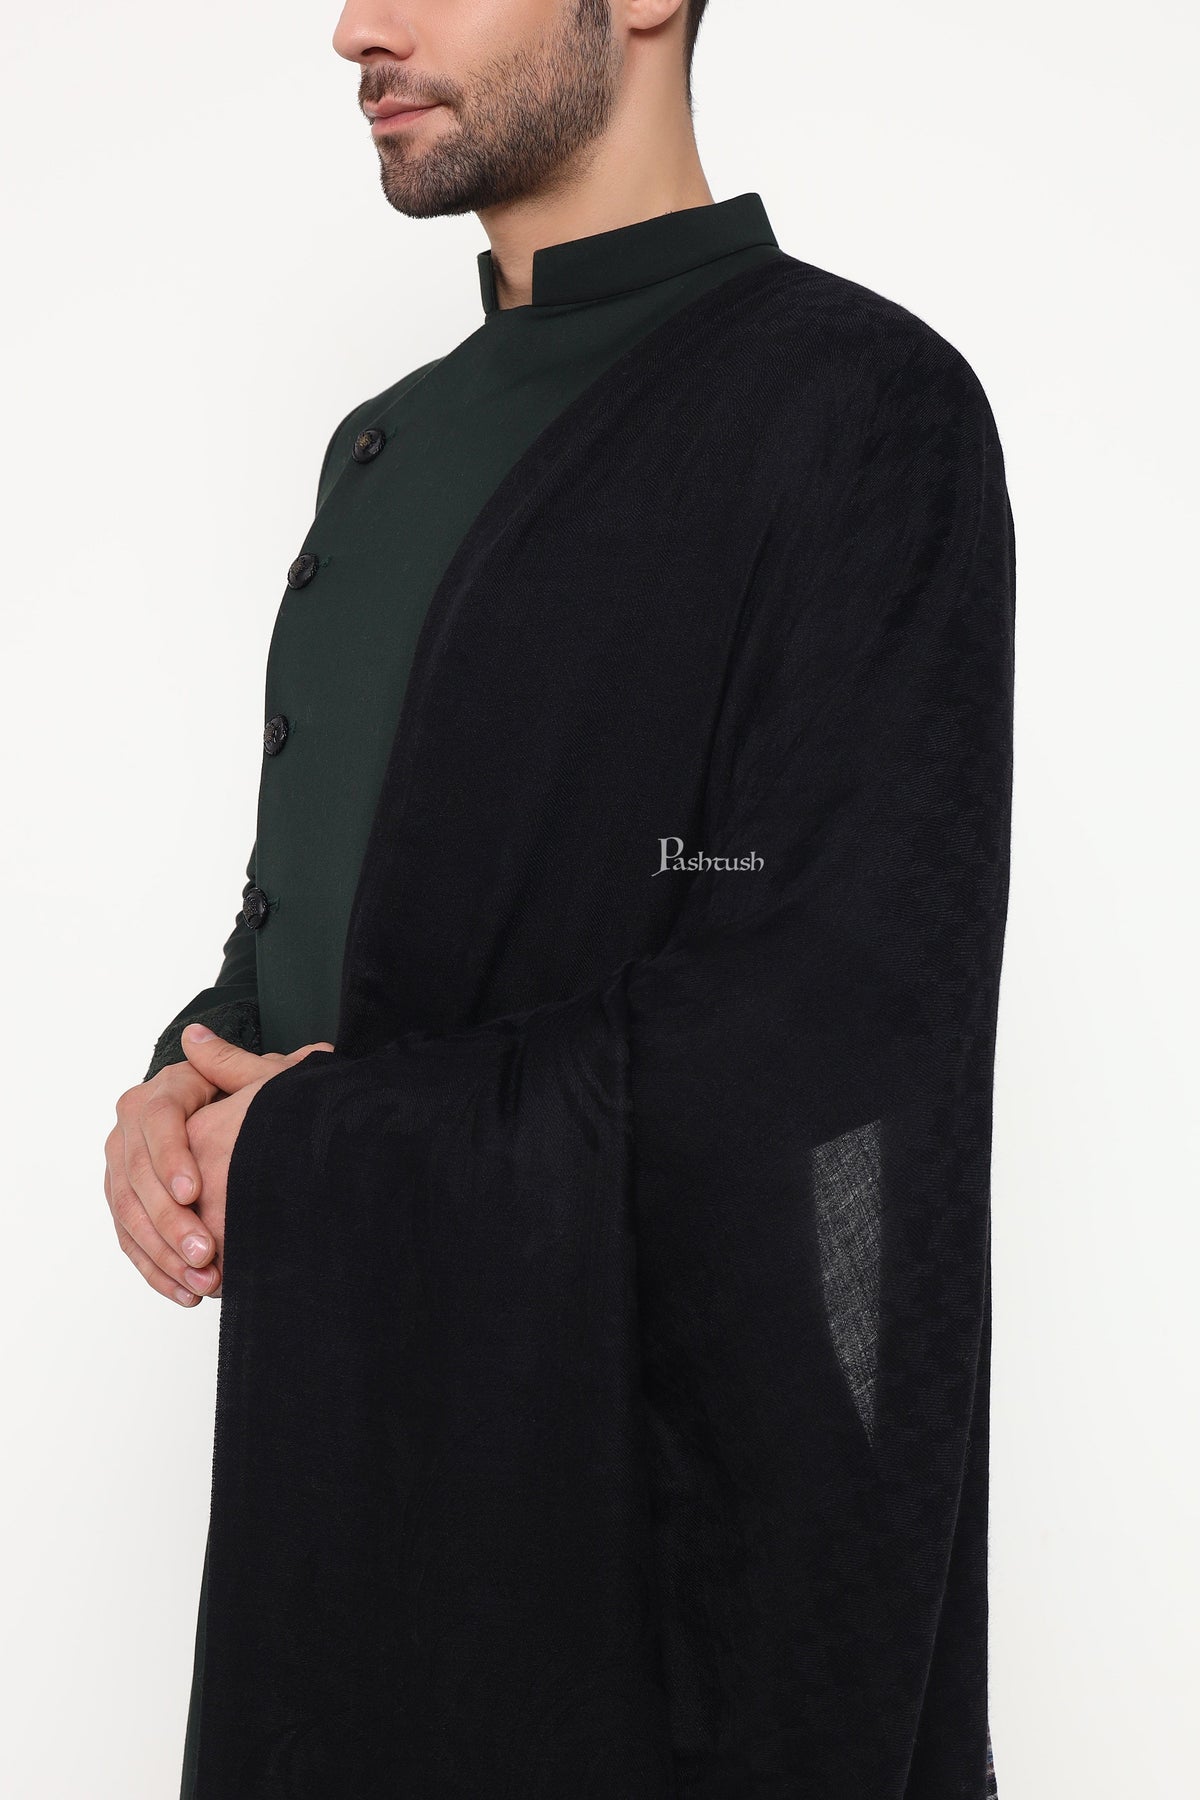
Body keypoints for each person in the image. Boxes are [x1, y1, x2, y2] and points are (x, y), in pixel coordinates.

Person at [104, 2, 1012, 1795]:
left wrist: (321, 1142)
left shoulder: (857, 407)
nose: (357, 27)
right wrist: (182, 1081)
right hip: (341, 1468)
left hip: (646, 1562)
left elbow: (833, 1018)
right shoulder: (387, 447)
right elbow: (335, 909)